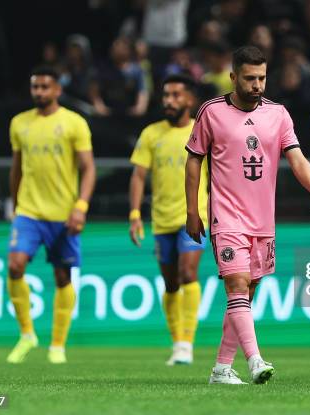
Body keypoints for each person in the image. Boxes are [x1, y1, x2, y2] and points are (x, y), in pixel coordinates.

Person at [185, 46, 310, 384]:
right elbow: (194, 160)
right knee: (236, 284)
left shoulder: (278, 114)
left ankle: (221, 369)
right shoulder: (211, 111)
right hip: (226, 216)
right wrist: (192, 210)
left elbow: (295, 156)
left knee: (245, 294)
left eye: (262, 78)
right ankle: (255, 361)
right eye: (250, 78)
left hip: (263, 220)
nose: (257, 85)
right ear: (234, 77)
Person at [5, 66, 96, 364]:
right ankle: (27, 334)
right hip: (29, 212)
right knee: (15, 266)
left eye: (45, 87)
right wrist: (14, 204)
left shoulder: (74, 123)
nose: (39, 92)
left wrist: (80, 207)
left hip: (63, 213)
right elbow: (17, 167)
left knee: (62, 276)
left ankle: (57, 345)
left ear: (58, 90)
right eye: (35, 87)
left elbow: (88, 169)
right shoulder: (19, 123)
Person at [128, 74, 208, 366]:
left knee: (189, 274)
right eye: (166, 95)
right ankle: (177, 342)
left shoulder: (203, 132)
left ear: (190, 99)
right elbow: (138, 175)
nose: (169, 101)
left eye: (176, 95)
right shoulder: (151, 134)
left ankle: (187, 342)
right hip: (161, 220)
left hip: (193, 218)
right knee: (171, 283)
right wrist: (135, 214)